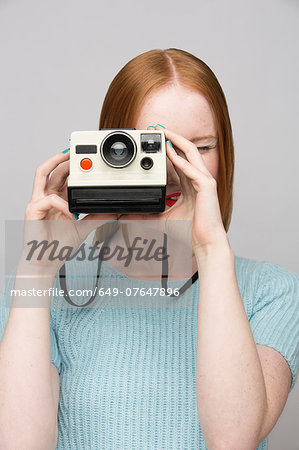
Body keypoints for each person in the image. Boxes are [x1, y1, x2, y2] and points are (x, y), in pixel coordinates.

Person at [0, 48, 298, 449]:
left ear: (225, 152)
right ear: (111, 147)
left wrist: (209, 249)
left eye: (200, 147)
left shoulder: (271, 292)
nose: (174, 169)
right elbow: (20, 444)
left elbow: (233, 440)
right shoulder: (38, 292)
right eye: (151, 147)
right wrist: (37, 270)